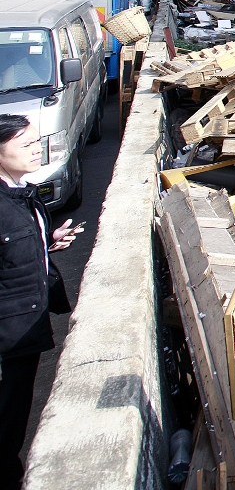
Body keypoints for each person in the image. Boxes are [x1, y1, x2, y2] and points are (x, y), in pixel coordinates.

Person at [0, 114, 82, 489]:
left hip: (24, 329)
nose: (37, 149)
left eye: (36, 142)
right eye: (25, 145)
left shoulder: (21, 192)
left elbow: (13, 252)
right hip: (8, 336)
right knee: (4, 426)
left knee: (15, 418)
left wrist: (48, 243)